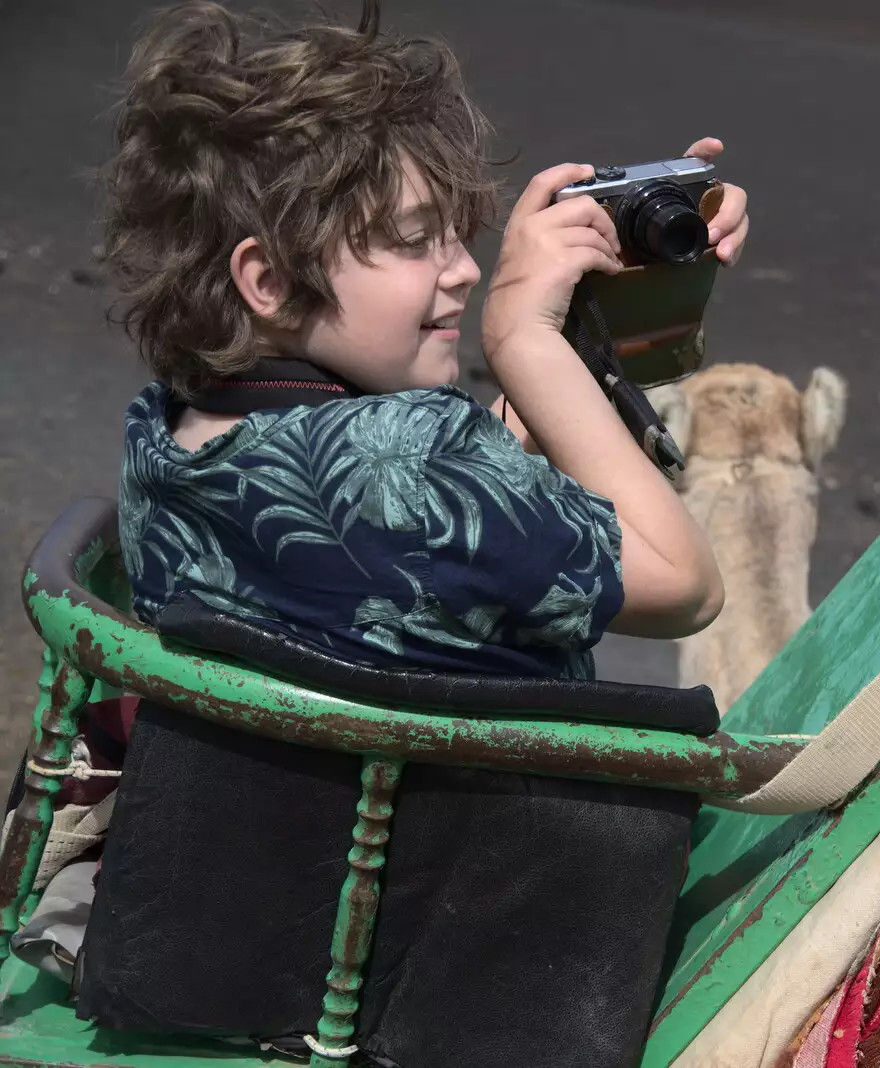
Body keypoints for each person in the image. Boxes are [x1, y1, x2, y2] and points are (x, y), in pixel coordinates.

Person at [72, 1, 747, 1065]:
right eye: (411, 241)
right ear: (267, 280)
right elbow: (684, 582)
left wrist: (569, 330)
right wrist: (523, 338)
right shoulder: (414, 465)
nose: (465, 268)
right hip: (463, 939)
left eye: (459, 234)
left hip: (250, 904)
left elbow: (431, 530)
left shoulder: (181, 426)